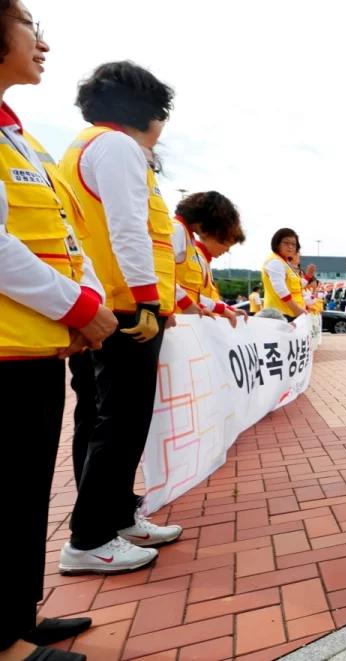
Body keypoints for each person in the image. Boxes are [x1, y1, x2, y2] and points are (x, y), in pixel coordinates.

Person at [0, 5, 117, 656]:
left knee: (25, 498)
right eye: (26, 23)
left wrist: (81, 303)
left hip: (34, 346)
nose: (42, 41)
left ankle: (18, 617)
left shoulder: (21, 135)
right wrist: (78, 307)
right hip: (7, 353)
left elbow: (63, 238)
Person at [59, 60, 183, 575]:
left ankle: (114, 515)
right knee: (121, 422)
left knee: (100, 415)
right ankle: (89, 538)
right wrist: (149, 300)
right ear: (147, 112)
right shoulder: (118, 147)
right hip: (127, 307)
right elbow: (128, 229)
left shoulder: (84, 146)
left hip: (103, 302)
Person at [172, 191, 245, 328]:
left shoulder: (187, 238)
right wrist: (188, 305)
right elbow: (160, 276)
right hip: (176, 323)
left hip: (182, 323)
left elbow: (193, 295)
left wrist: (221, 308)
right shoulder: (176, 230)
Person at [261, 228, 308, 320]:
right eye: (286, 243)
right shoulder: (275, 261)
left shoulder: (284, 262)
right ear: (277, 244)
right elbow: (281, 289)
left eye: (293, 244)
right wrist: (297, 310)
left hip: (288, 314)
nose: (290, 247)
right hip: (280, 315)